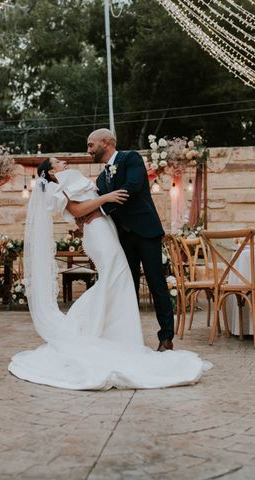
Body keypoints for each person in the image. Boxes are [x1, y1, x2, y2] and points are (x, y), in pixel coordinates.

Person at [7, 157, 210, 390]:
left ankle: (112, 333)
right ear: (51, 172)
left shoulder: (70, 179)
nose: (63, 161)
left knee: (116, 279)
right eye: (57, 161)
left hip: (104, 229)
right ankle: (92, 329)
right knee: (117, 275)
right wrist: (107, 198)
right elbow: (76, 209)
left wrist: (101, 204)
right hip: (97, 233)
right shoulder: (56, 187)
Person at [84, 128, 175, 351]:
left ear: (106, 142)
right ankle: (130, 337)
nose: (88, 150)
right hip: (123, 238)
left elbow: (131, 189)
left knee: (156, 283)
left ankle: (166, 337)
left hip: (146, 231)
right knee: (128, 286)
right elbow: (99, 203)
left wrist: (101, 209)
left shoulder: (130, 158)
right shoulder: (101, 179)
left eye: (91, 145)